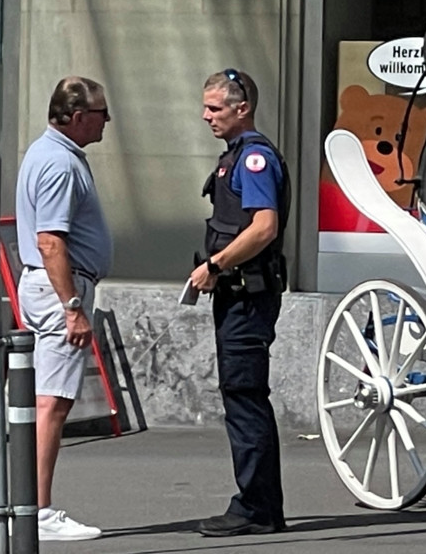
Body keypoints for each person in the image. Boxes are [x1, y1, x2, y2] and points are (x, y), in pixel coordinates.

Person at [186, 69, 289, 537]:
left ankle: (256, 508)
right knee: (242, 396)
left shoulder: (254, 159)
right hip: (236, 294)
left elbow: (264, 227)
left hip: (248, 296)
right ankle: (259, 504)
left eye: (215, 108)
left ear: (242, 108)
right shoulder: (235, 156)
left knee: (246, 397)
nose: (206, 115)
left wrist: (216, 264)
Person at [15, 76, 114, 542]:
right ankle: (38, 511)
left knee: (47, 400)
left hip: (49, 286)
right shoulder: (58, 163)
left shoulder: (49, 153)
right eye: (101, 113)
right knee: (52, 402)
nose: (106, 121)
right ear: (77, 117)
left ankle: (30, 506)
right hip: (59, 289)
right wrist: (72, 306)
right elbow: (50, 241)